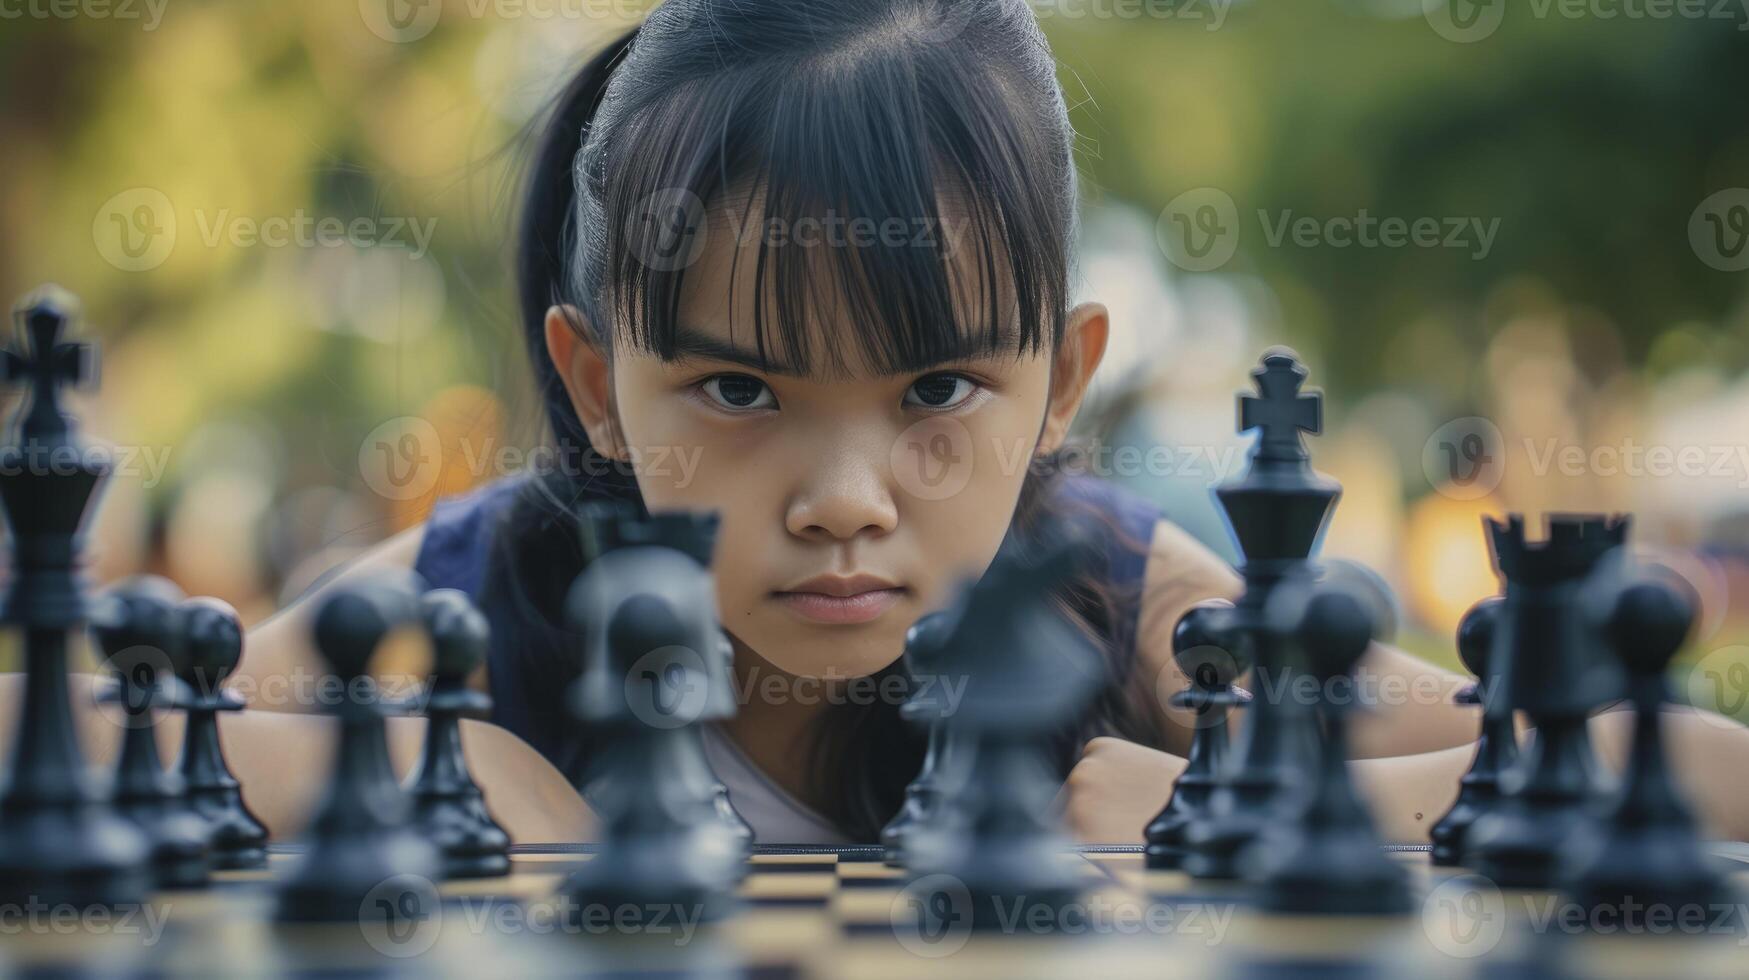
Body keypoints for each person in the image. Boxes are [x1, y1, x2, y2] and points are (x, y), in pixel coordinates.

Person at [7, 0, 1748, 847]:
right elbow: (82, 731)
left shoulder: (1118, 586)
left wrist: (1197, 794)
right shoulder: (484, 588)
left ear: (1059, 383)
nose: (845, 498)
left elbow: (1655, 771)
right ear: (596, 379)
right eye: (740, 390)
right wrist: (448, 766)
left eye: (935, 393)